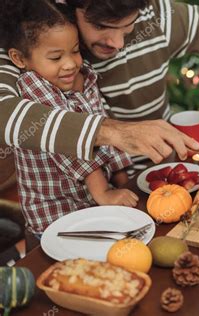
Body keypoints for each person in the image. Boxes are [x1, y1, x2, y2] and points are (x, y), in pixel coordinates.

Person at [0, 0, 199, 172]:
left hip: (164, 178)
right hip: (74, 210)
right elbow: (3, 115)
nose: (117, 43)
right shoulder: (35, 36)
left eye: (128, 27)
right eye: (101, 26)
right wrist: (113, 132)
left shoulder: (158, 18)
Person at [1, 0, 140, 237]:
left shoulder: (84, 75)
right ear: (19, 58)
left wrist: (123, 179)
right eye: (55, 58)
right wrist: (104, 193)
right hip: (57, 218)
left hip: (93, 205)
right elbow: (72, 146)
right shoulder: (33, 86)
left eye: (75, 51)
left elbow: (103, 127)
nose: (70, 64)